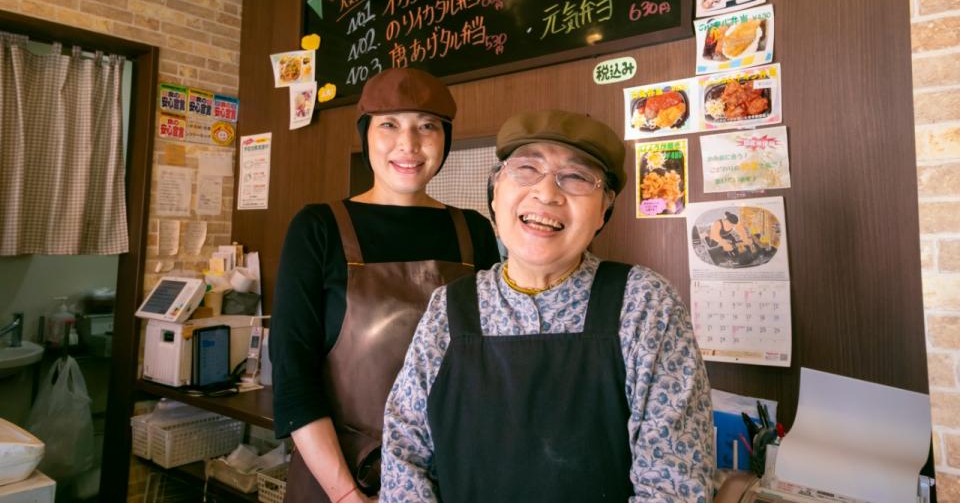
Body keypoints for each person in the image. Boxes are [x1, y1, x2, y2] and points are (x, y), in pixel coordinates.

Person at [381, 109, 713, 502]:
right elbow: (404, 452)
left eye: (575, 177)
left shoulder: (643, 304)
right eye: (526, 169)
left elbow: (674, 487)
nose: (547, 193)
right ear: (495, 189)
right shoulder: (450, 306)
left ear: (604, 208)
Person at [270, 68, 501, 503]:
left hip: (450, 472)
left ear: (444, 139)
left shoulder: (474, 231)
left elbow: (494, 365)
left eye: (427, 126)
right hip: (340, 475)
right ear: (366, 135)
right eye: (389, 124)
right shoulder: (318, 227)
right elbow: (293, 376)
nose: (408, 145)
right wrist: (345, 495)